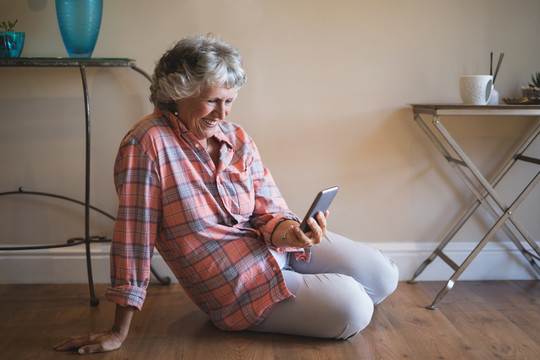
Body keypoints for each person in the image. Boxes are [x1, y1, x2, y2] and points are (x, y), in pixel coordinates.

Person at [54, 34, 398, 355]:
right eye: (212, 102)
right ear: (178, 93)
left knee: (384, 276)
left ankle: (304, 286)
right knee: (355, 307)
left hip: (276, 249)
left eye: (229, 101)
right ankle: (302, 296)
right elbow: (133, 239)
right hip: (237, 287)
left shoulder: (236, 137)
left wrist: (292, 232)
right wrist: (118, 331)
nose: (223, 114)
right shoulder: (146, 144)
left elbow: (268, 207)